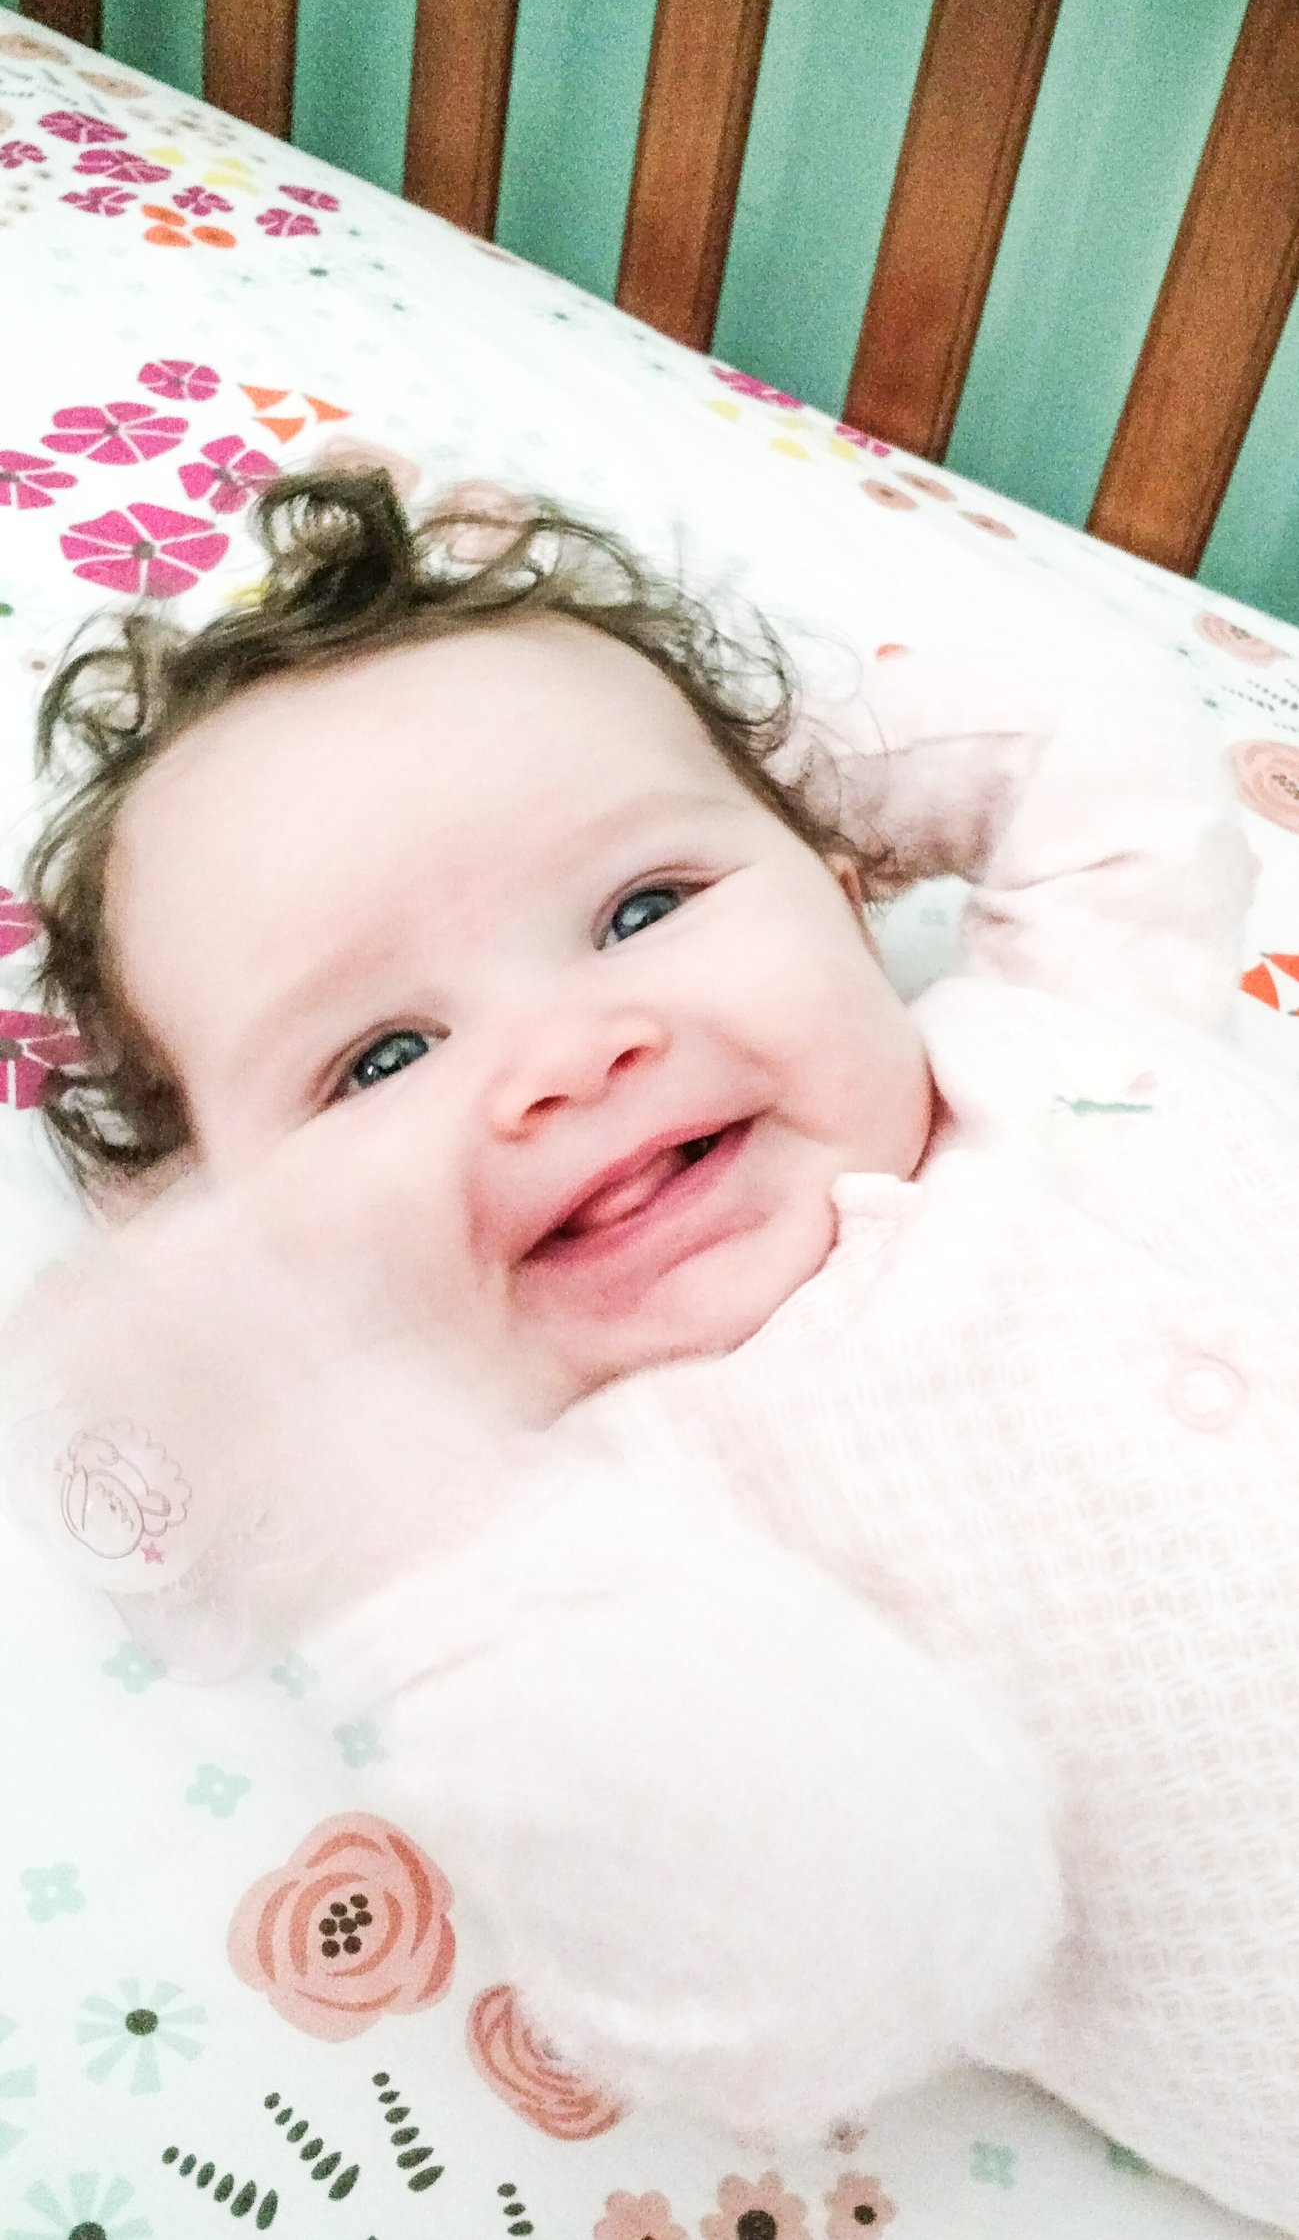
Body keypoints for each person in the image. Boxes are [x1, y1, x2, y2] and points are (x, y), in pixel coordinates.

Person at [3, 470, 1297, 2231]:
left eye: (642, 905)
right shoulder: (598, 1543)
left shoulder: (1056, 1024)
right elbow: (818, 1969)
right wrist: (385, 1509)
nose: (569, 1055)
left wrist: (759, 739)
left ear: (841, 885)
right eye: (382, 1057)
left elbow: (1100, 734)